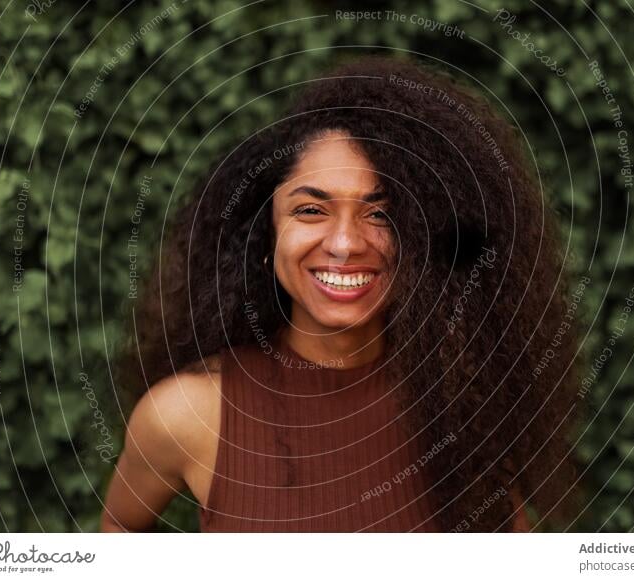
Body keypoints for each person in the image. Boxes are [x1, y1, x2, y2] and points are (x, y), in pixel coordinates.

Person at [101, 55, 581, 532]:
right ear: (264, 236)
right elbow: (119, 531)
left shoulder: (460, 402)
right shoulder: (186, 414)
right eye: (311, 210)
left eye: (381, 214)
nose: (346, 243)